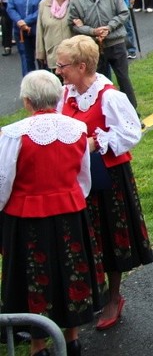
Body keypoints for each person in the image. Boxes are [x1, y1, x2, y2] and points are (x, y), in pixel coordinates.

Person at [0, 70, 103, 356]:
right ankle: (72, 338)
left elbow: (3, 181)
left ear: (27, 101)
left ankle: (38, 346)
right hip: (70, 212)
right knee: (70, 272)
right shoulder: (77, 130)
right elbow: (83, 178)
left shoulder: (12, 134)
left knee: (35, 277)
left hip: (27, 216)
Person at [56, 35, 152, 330]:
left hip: (106, 178)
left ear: (82, 66)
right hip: (74, 176)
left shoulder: (109, 96)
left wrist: (97, 142)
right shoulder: (65, 94)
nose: (59, 71)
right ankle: (93, 293)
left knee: (110, 236)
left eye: (64, 66)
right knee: (84, 237)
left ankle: (113, 296)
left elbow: (130, 132)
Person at [68, 0, 138, 109]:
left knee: (124, 79)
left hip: (116, 43)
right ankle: (106, 115)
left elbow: (124, 13)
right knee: (99, 83)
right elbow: (73, 23)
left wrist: (109, 27)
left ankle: (133, 113)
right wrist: (92, 31)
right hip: (94, 47)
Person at [6, 0, 49, 76]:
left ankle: (43, 84)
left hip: (37, 30)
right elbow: (11, 7)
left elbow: (41, 9)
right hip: (20, 30)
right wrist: (19, 21)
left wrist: (27, 21)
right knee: (26, 58)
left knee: (41, 58)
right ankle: (28, 85)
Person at [35, 0, 75, 71]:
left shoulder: (77, 0)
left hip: (74, 53)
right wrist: (40, 53)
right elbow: (40, 29)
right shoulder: (44, 4)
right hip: (53, 53)